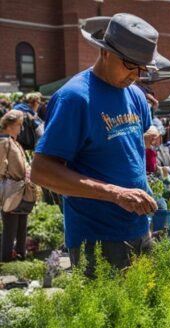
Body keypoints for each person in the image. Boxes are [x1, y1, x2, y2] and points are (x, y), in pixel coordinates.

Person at [30, 14, 159, 275]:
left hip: (139, 227)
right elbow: (41, 171)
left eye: (142, 69)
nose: (135, 75)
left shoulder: (134, 94)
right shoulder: (75, 97)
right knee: (107, 316)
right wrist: (115, 193)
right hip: (96, 239)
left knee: (145, 313)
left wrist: (148, 135)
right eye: (130, 66)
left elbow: (140, 134)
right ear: (106, 52)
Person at [0, 110, 36, 261]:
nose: (21, 129)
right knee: (10, 228)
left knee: (22, 226)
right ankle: (7, 261)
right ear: (8, 125)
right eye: (19, 125)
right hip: (11, 191)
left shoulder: (13, 141)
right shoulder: (3, 142)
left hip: (21, 190)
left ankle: (21, 257)